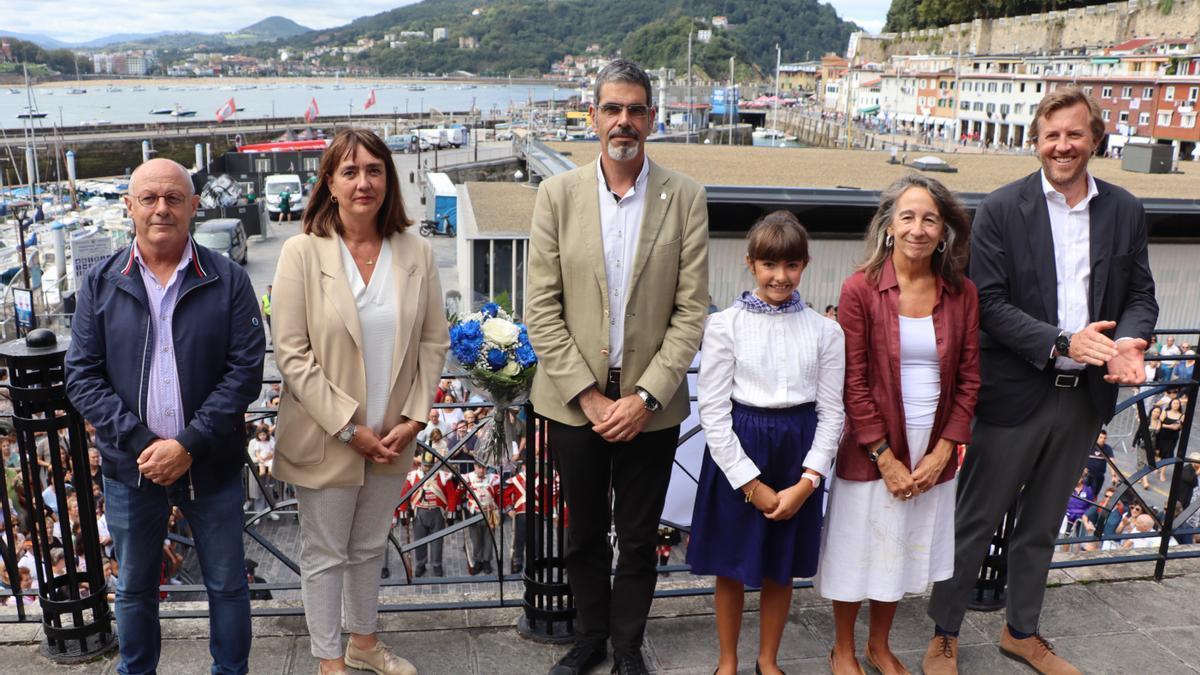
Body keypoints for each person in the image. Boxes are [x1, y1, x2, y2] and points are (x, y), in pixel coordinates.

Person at [924, 87, 1158, 675]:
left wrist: (1130, 341)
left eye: (1075, 134)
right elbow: (990, 304)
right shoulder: (1002, 208)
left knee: (1043, 524)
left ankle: (1022, 632)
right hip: (1015, 391)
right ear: (1035, 142)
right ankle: (944, 633)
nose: (1063, 146)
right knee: (973, 521)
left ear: (1096, 139)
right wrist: (1063, 341)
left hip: (1084, 399)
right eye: (1051, 135)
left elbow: (1140, 295)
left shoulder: (1125, 209)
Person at [526, 58, 709, 675]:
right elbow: (541, 310)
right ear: (594, 117)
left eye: (635, 109)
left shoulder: (685, 197)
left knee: (637, 539)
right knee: (581, 536)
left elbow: (690, 314)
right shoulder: (557, 196)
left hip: (649, 414)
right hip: (575, 406)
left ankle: (628, 646)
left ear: (652, 119)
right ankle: (590, 637)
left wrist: (645, 398)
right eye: (612, 109)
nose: (623, 121)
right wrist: (592, 399)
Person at [65, 157, 266, 675]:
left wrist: (188, 444)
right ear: (129, 206)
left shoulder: (229, 279)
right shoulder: (101, 284)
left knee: (227, 583)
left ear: (194, 207)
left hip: (211, 462)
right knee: (133, 588)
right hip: (131, 467)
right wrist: (140, 443)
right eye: (149, 198)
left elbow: (245, 372)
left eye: (174, 198)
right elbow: (81, 376)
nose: (161, 209)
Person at [271, 128, 448, 675]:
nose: (363, 182)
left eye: (374, 170)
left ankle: (364, 643)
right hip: (328, 435)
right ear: (329, 183)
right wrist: (350, 427)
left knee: (370, 545)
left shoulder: (415, 251)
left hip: (392, 432)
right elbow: (291, 353)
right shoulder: (302, 252)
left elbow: (433, 341)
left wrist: (415, 417)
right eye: (349, 171)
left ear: (388, 179)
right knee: (325, 554)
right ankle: (330, 660)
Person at [813, 174, 978, 675]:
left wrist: (943, 451)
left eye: (930, 218)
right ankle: (843, 646)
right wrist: (883, 456)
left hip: (932, 446)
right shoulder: (860, 289)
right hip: (873, 448)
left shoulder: (961, 291)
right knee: (857, 550)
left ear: (944, 230)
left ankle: (878, 645)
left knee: (901, 553)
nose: (918, 228)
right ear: (888, 227)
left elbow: (970, 379)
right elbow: (853, 381)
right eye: (907, 216)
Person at [688, 211, 845, 675]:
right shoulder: (725, 325)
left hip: (796, 452)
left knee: (781, 568)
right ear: (751, 264)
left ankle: (768, 660)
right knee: (731, 567)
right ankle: (728, 660)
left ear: (805, 265)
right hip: (739, 449)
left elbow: (832, 411)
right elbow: (713, 410)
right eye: (770, 265)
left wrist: (809, 480)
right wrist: (748, 483)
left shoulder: (825, 330)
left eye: (792, 265)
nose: (781, 277)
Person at [398, 451, 459, 577]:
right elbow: (404, 495)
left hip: (437, 513)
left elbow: (451, 495)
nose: (427, 469)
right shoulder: (412, 476)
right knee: (419, 541)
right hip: (419, 513)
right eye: (425, 466)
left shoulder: (443, 476)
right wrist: (403, 513)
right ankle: (421, 564)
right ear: (421, 465)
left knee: (437, 542)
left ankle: (437, 564)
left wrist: (451, 513)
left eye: (430, 466)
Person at [461, 461, 500, 575]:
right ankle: (478, 560)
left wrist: (498, 510)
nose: (481, 470)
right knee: (475, 539)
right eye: (479, 467)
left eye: (484, 468)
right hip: (474, 512)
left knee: (489, 538)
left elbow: (498, 495)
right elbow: (460, 492)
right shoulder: (467, 478)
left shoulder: (494, 479)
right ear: (474, 467)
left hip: (489, 512)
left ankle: (487, 561)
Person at [1158, 398, 1185, 483]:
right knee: (1160, 452)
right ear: (1171, 404)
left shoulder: (1182, 415)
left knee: (1168, 454)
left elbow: (1181, 427)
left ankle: (1162, 473)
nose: (1176, 405)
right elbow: (1160, 424)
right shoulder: (1165, 412)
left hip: (1172, 437)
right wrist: (1170, 426)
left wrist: (1179, 426)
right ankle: (1158, 466)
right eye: (1174, 403)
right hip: (1162, 435)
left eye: (1177, 404)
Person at [1085, 429, 1115, 496]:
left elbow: (1111, 463)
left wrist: (1113, 475)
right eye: (1101, 437)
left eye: (1105, 438)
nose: (1103, 440)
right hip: (1087, 475)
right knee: (1082, 493)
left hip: (1098, 477)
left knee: (1094, 495)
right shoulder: (1090, 446)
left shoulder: (1108, 449)